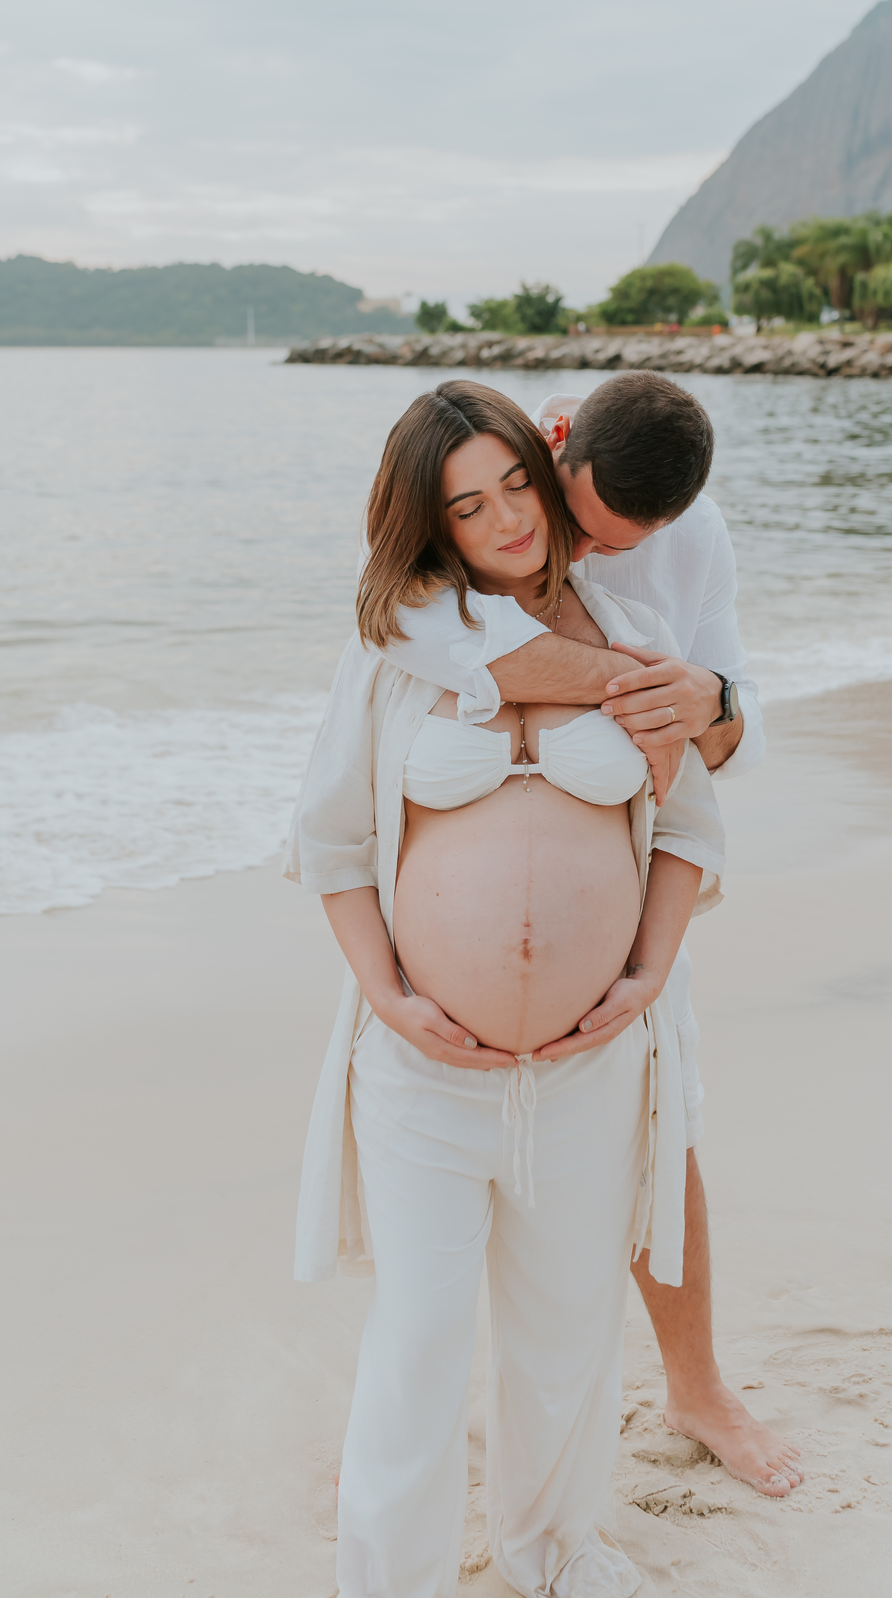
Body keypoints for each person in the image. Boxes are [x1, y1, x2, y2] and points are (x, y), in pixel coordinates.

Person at [285, 383, 726, 1596]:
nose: (504, 519)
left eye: (514, 485)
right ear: (438, 523)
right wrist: (390, 996)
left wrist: (646, 972)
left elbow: (692, 827)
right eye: (467, 506)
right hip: (429, 1068)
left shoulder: (628, 632)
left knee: (565, 1332)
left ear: (548, 464)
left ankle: (558, 1555)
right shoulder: (398, 645)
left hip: (587, 1065)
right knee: (419, 1339)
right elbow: (328, 843)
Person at [369, 370, 802, 1497]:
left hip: (630, 911)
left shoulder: (691, 541)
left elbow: (735, 736)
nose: (589, 556)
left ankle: (697, 1387)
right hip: (444, 964)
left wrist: (709, 706)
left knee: (669, 1135)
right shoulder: (492, 483)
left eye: (628, 543)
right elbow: (429, 631)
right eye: (584, 525)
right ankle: (407, 1423)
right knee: (433, 1219)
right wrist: (630, 682)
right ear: (557, 447)